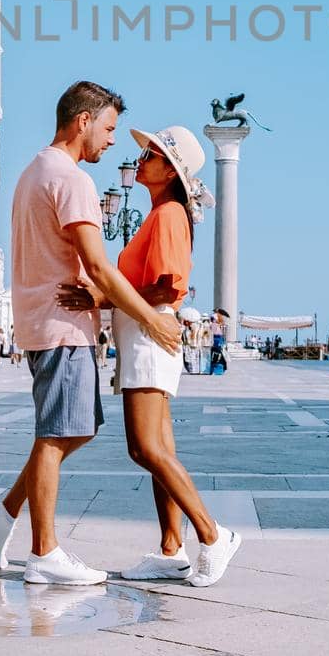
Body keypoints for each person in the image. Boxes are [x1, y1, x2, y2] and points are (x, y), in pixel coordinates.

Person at [0, 81, 182, 587]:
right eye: (109, 128)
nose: (113, 143)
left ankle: (3, 514)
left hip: (40, 319)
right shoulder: (72, 179)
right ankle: (43, 552)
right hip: (62, 324)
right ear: (83, 121)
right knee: (56, 434)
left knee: (75, 425)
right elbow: (99, 267)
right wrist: (153, 318)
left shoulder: (32, 171)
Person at [60, 122, 240, 588]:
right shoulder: (162, 214)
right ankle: (170, 548)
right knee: (160, 448)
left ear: (170, 172)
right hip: (142, 332)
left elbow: (165, 285)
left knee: (144, 447)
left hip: (147, 332)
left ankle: (212, 534)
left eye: (152, 155)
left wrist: (102, 298)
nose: (141, 160)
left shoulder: (167, 216)